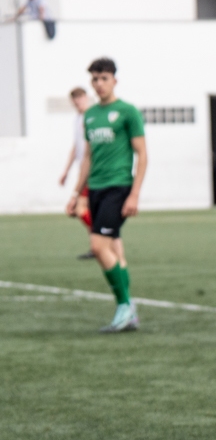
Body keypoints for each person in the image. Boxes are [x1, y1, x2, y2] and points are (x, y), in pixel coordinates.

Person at [66, 57, 147, 333]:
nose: (99, 84)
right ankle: (128, 309)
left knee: (98, 246)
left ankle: (125, 305)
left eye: (104, 78)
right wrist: (77, 193)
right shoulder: (89, 116)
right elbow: (87, 157)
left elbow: (142, 154)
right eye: (95, 79)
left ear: (114, 80)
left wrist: (134, 194)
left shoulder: (127, 112)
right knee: (112, 249)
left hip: (118, 187)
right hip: (96, 188)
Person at [59, 87, 94, 259]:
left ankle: (102, 238)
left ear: (86, 97)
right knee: (87, 209)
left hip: (92, 171)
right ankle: (97, 245)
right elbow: (76, 147)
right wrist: (66, 171)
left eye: (80, 97)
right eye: (75, 98)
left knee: (79, 208)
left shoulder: (91, 117)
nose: (78, 101)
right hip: (83, 170)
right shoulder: (77, 119)